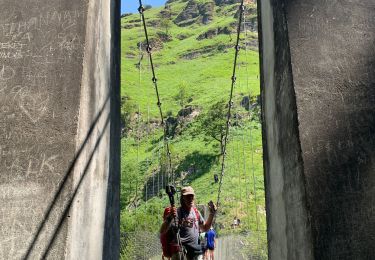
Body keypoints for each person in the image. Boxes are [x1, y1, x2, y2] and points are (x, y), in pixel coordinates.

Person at [160, 186, 217, 260]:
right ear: (183, 198)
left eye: (192, 196)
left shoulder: (196, 212)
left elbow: (205, 228)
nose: (190, 199)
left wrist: (212, 214)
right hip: (181, 250)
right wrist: (170, 217)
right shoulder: (177, 212)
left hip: (194, 250)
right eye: (187, 196)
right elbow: (162, 230)